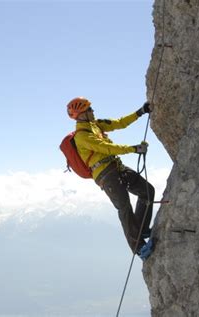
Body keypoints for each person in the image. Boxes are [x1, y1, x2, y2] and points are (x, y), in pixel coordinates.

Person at [67, 96, 155, 260]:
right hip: (105, 175)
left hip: (116, 167)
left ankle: (142, 229)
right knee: (124, 207)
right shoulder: (82, 136)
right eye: (89, 110)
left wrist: (140, 112)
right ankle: (139, 247)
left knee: (147, 191)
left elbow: (119, 122)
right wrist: (133, 149)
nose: (93, 111)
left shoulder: (96, 125)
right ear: (81, 114)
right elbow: (105, 148)